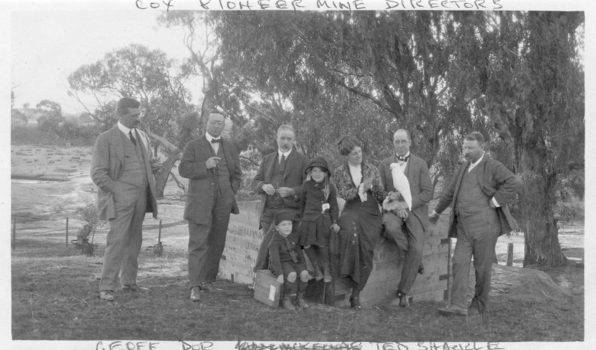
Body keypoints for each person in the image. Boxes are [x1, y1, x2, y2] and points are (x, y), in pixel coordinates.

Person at [430, 132, 520, 316]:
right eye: (464, 147)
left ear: (481, 148)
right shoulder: (464, 167)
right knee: (459, 263)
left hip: (485, 227)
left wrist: (496, 201)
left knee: (482, 267)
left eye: (470, 148)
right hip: (463, 228)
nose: (466, 151)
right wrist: (437, 211)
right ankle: (457, 305)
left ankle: (479, 305)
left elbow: (513, 182)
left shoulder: (492, 165)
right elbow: (449, 192)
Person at [91, 97, 159, 301]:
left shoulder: (142, 136)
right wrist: (118, 190)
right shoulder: (105, 139)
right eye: (133, 115)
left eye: (140, 114)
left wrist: (151, 168)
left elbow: (142, 164)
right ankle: (106, 287)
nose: (138, 119)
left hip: (141, 198)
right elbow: (98, 174)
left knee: (134, 240)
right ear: (120, 114)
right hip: (119, 200)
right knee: (117, 241)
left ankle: (129, 282)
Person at [179, 112, 242, 302]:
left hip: (224, 201)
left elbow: (237, 174)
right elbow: (183, 169)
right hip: (200, 202)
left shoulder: (230, 147)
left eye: (220, 123)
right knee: (198, 243)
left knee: (217, 242)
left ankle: (208, 281)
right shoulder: (193, 146)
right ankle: (195, 286)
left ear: (224, 126)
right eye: (213, 122)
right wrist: (204, 165)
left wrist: (231, 191)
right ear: (206, 123)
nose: (216, 126)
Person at [332, 136, 385, 310]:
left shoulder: (371, 169)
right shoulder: (340, 171)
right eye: (354, 154)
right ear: (346, 155)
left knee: (367, 249)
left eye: (359, 152)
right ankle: (348, 277)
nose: (358, 156)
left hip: (370, 212)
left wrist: (380, 194)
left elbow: (380, 194)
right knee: (351, 234)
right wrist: (361, 188)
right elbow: (344, 194)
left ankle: (356, 292)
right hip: (352, 209)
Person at [252, 125, 310, 273]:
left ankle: (259, 275)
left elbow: (309, 186)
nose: (285, 142)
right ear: (276, 138)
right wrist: (263, 186)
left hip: (288, 211)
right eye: (282, 138)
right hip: (267, 212)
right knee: (271, 248)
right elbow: (255, 182)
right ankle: (268, 286)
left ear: (294, 141)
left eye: (289, 139)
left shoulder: (302, 161)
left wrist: (292, 191)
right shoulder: (267, 159)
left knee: (270, 244)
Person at [297, 157, 340, 283]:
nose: (317, 174)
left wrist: (335, 222)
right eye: (314, 171)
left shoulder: (329, 187)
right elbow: (302, 204)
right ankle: (317, 270)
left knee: (322, 245)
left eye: (320, 171)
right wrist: (301, 220)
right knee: (307, 244)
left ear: (326, 173)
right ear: (310, 172)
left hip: (322, 220)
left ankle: (326, 270)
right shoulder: (306, 185)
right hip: (308, 220)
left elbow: (334, 206)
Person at [268, 210, 310, 310]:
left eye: (289, 224)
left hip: (293, 262)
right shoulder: (275, 241)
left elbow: (299, 254)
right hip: (281, 263)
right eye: (284, 225)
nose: (287, 227)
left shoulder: (293, 238)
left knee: (305, 274)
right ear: (277, 227)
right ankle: (285, 298)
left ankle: (299, 298)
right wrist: (279, 274)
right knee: (292, 275)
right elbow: (275, 259)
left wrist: (304, 267)